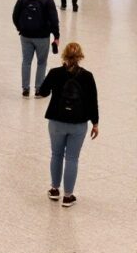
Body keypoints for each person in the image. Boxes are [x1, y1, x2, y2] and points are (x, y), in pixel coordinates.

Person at [36, 42, 100, 208]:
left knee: (56, 154)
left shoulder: (55, 73)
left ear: (64, 55)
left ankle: (55, 190)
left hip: (56, 121)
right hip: (78, 124)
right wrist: (95, 123)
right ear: (80, 57)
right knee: (72, 158)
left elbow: (42, 91)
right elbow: (93, 102)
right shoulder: (87, 76)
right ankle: (68, 196)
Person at [12, 0, 60, 98]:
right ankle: (39, 89)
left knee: (26, 62)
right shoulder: (48, 0)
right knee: (42, 63)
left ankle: (25, 89)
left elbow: (15, 15)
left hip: (25, 36)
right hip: (42, 36)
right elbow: (54, 20)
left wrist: (20, 28)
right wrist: (56, 36)